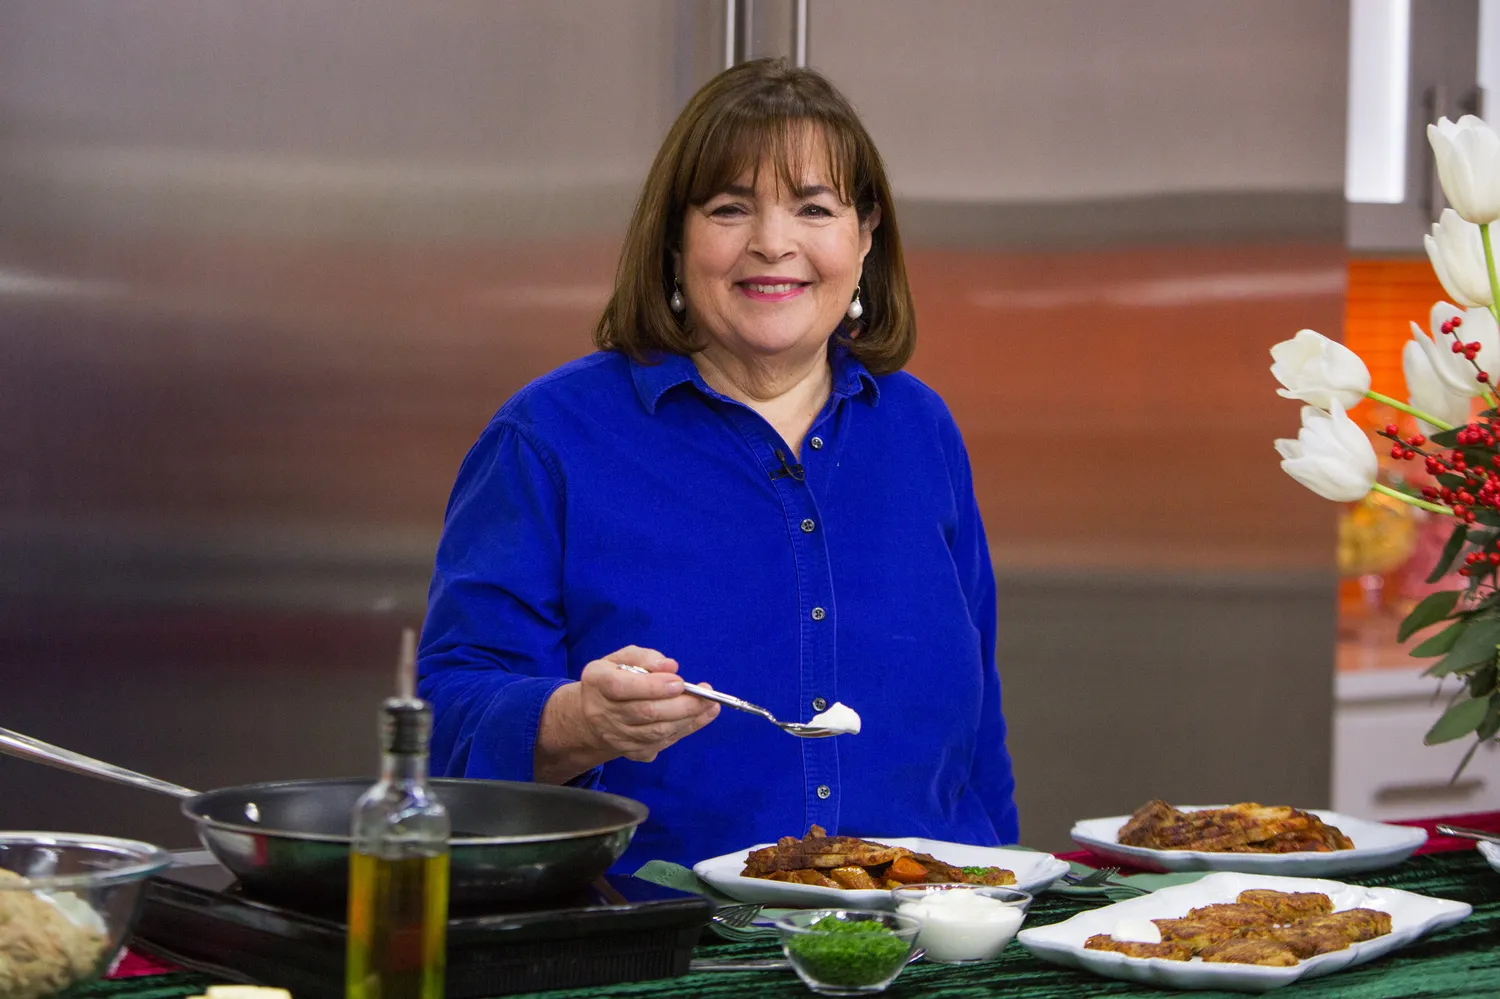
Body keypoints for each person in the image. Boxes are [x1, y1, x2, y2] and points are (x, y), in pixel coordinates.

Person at [418, 58, 1017, 871]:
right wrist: (575, 721)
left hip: (925, 929)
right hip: (651, 932)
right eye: (730, 208)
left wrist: (1000, 897)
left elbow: (978, 739)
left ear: (865, 235)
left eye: (814, 208)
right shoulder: (547, 438)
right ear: (674, 240)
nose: (773, 243)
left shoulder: (922, 430)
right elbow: (446, 719)